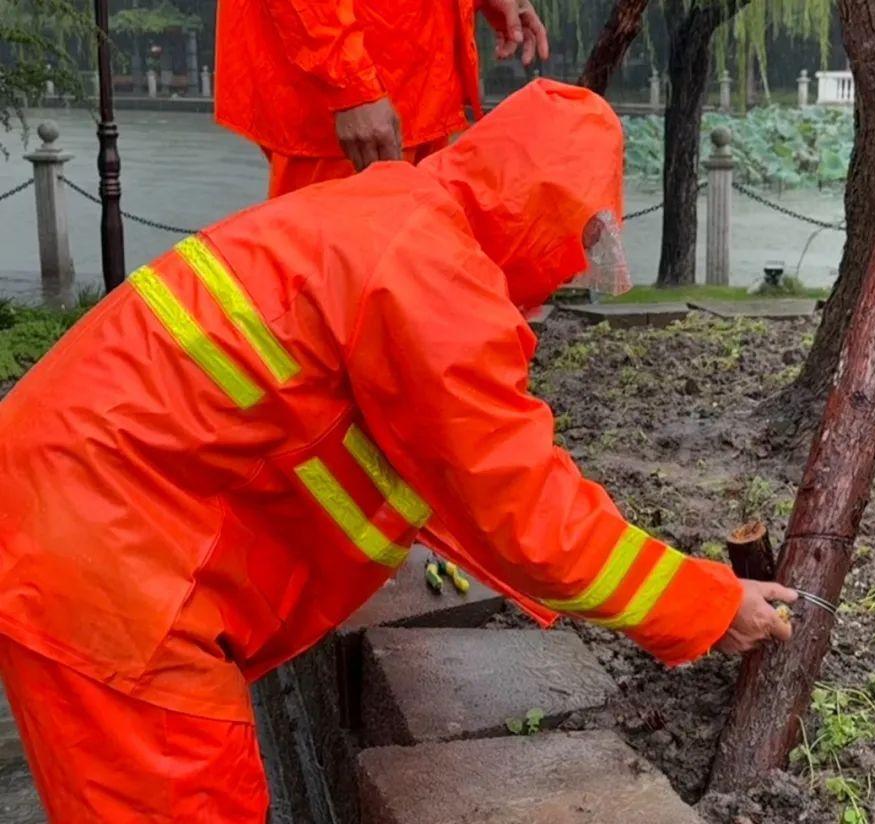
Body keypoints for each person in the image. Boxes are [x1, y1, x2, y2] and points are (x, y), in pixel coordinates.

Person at [0, 80, 796, 822]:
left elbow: (442, 472)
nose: (559, 286)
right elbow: (520, 506)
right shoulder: (435, 276)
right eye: (575, 249)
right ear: (553, 220)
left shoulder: (395, 218)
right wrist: (707, 605)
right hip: (113, 568)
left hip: (87, 522)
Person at [216, 0, 549, 198]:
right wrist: (349, 84)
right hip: (349, 115)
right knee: (335, 289)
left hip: (418, 91)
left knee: (408, 285)